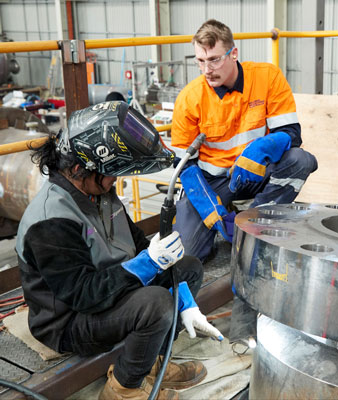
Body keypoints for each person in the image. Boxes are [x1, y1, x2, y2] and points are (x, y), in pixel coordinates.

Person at [16, 101, 223, 400]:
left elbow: (139, 244)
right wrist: (147, 265)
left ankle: (152, 364)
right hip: (70, 321)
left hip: (110, 291)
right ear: (78, 169)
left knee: (188, 267)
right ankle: (124, 388)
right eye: (111, 172)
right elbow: (84, 295)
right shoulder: (51, 221)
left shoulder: (99, 192)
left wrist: (186, 300)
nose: (116, 179)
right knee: (156, 304)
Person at [171, 19, 318, 262]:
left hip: (255, 172)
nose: (207, 69)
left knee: (300, 160)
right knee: (189, 255)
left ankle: (251, 219)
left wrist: (260, 149)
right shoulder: (189, 99)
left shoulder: (267, 77)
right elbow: (184, 165)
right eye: (200, 61)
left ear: (234, 54)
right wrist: (210, 209)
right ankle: (224, 217)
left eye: (214, 59)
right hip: (212, 183)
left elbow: (292, 133)